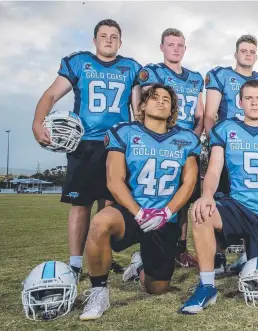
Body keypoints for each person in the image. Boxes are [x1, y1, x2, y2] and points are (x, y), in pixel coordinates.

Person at [31, 19, 142, 279]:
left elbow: (137, 111)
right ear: (94, 40)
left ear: (120, 41)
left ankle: (101, 257)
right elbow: (50, 95)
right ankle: (76, 263)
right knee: (80, 204)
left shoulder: (131, 68)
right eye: (104, 36)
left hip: (116, 145)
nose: (109, 40)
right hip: (85, 143)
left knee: (109, 204)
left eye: (114, 36)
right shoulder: (80, 62)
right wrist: (38, 123)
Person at [79, 84, 200, 320]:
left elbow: (189, 182)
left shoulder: (186, 139)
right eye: (155, 98)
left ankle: (140, 265)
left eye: (167, 99)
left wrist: (165, 213)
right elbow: (114, 180)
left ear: (173, 109)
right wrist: (139, 213)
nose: (162, 102)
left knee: (158, 288)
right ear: (142, 105)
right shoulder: (124, 132)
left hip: (166, 217)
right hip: (131, 212)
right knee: (100, 222)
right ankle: (98, 292)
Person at [178, 80, 258, 314]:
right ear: (240, 102)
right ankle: (207, 286)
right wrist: (207, 195)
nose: (254, 102)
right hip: (237, 207)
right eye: (248, 98)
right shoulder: (227, 129)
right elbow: (213, 169)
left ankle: (247, 257)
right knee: (201, 213)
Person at [128, 28, 204, 272]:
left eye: (180, 44)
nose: (175, 48)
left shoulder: (195, 78)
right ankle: (141, 251)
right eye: (171, 44)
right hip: (158, 142)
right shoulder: (153, 72)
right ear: (162, 47)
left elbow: (200, 113)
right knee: (151, 192)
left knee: (185, 196)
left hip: (184, 144)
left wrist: (195, 135)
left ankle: (179, 249)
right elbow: (141, 101)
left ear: (185, 48)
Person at [203, 34, 258, 273]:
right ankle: (218, 256)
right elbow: (210, 114)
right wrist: (217, 145)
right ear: (236, 54)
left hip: (254, 146)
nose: (248, 55)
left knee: (248, 199)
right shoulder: (221, 75)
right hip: (229, 147)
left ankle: (247, 253)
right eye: (244, 50)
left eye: (252, 51)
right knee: (221, 200)